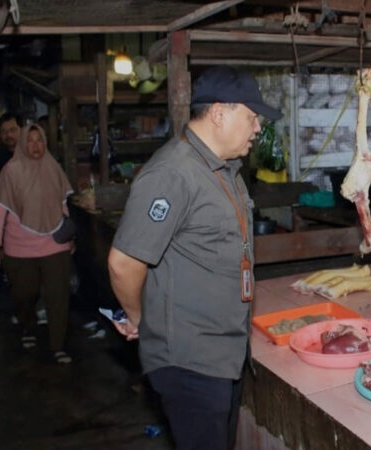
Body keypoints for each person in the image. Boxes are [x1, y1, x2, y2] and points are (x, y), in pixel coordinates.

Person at [107, 66, 282, 450]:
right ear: (219, 114)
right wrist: (139, 318)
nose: (257, 128)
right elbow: (124, 262)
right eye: (252, 117)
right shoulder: (173, 172)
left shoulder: (226, 170)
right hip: (190, 360)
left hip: (222, 354)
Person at [0, 124, 74, 364]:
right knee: (25, 294)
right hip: (19, 247)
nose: (36, 146)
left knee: (58, 296)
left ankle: (58, 345)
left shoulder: (53, 168)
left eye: (40, 140)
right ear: (22, 143)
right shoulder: (11, 171)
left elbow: (62, 205)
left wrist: (69, 237)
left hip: (54, 244)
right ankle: (28, 326)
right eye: (30, 140)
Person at [0, 113, 21, 192]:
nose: (8, 135)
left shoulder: (31, 154)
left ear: (21, 130)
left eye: (13, 130)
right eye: (3, 131)